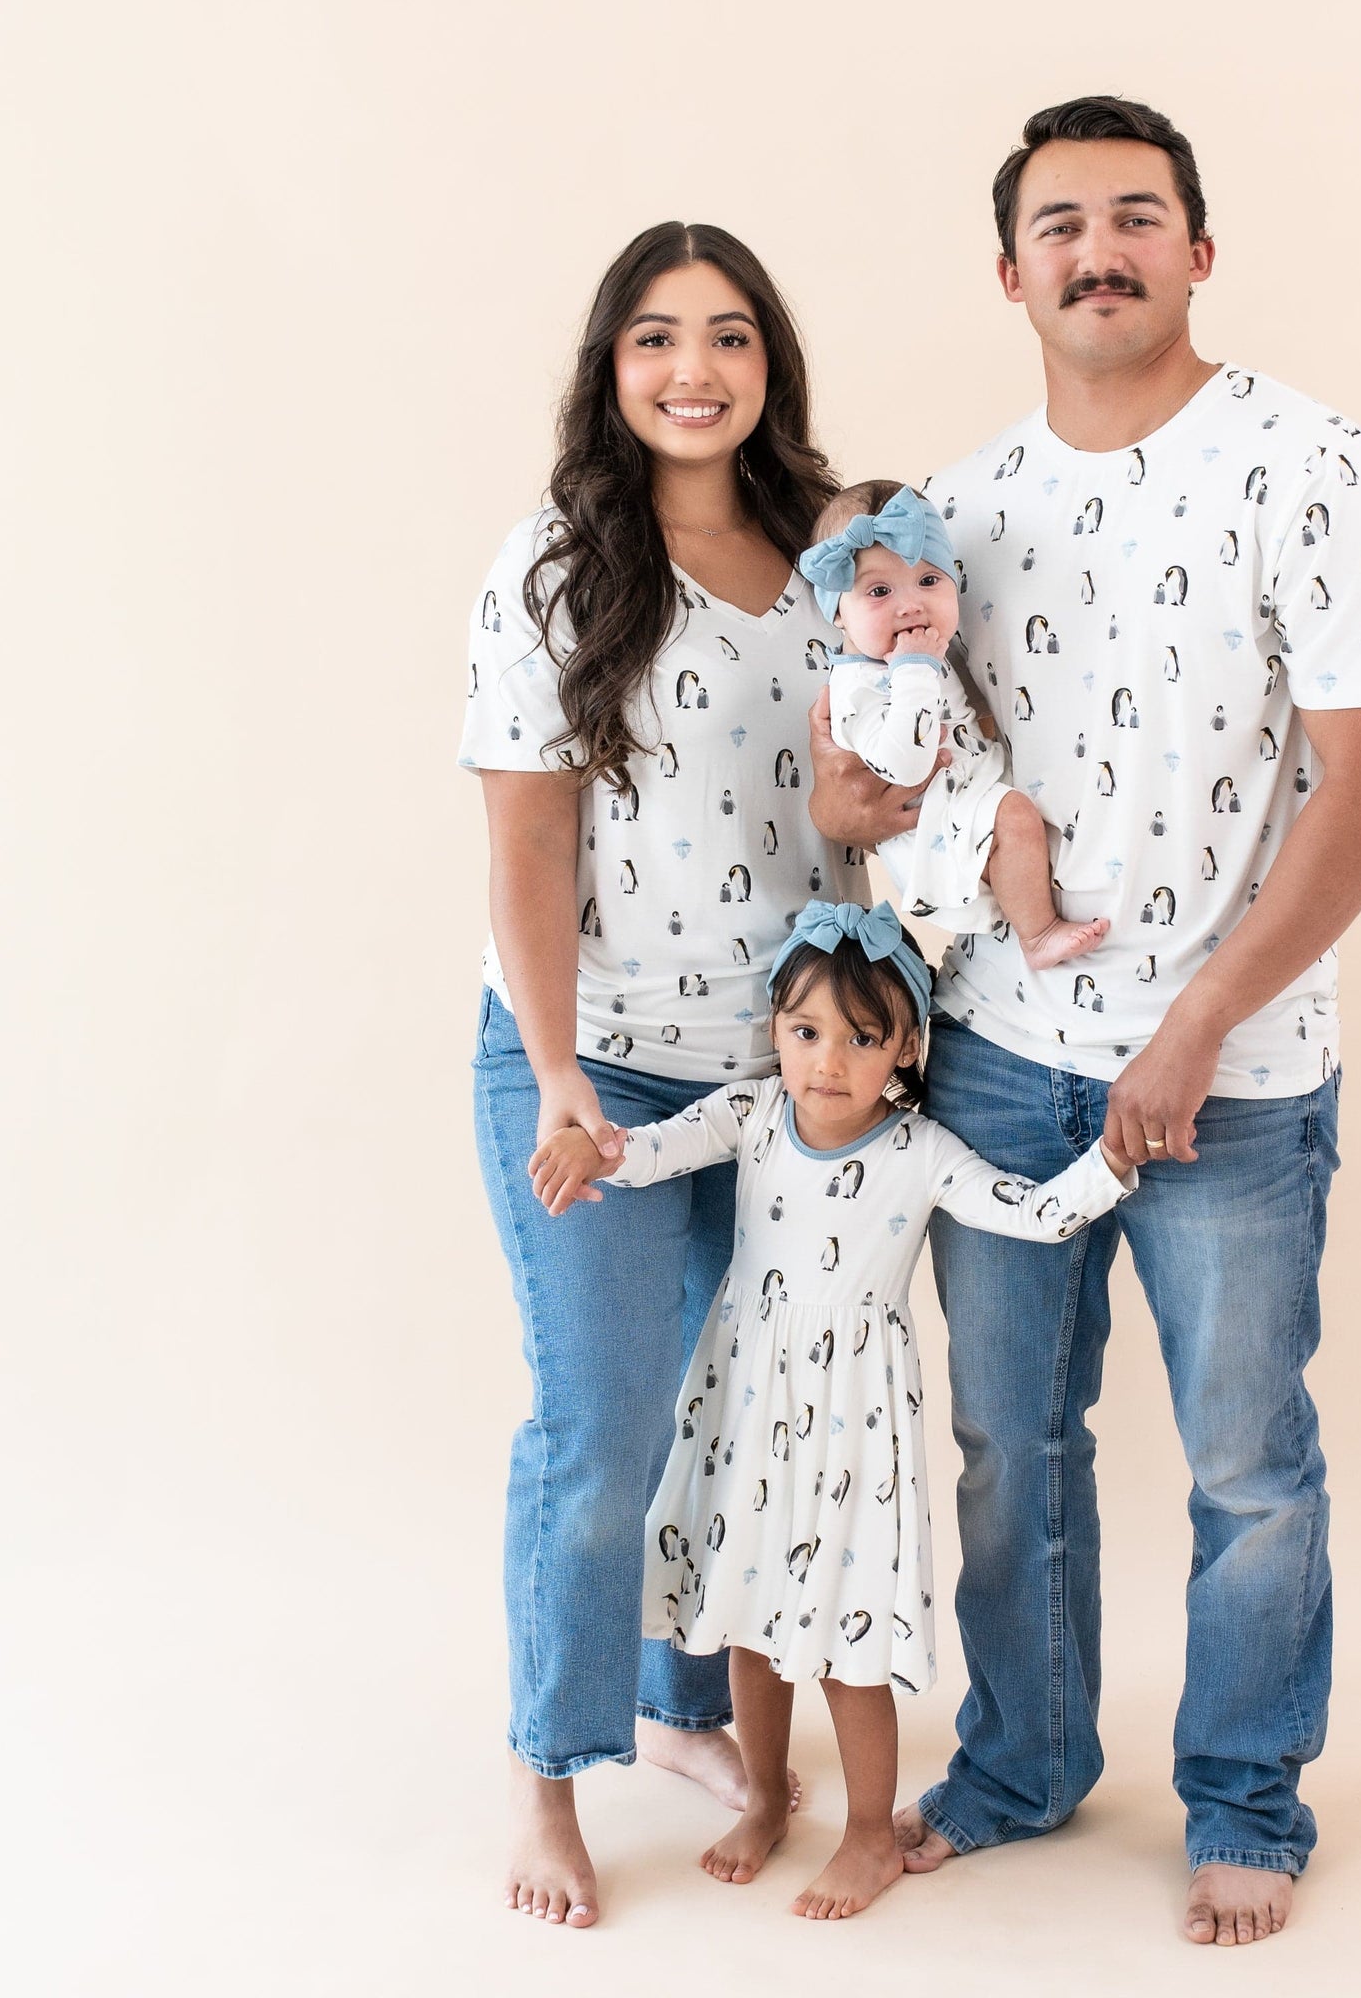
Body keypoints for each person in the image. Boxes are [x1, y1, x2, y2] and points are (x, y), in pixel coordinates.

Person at [807, 96, 1361, 1947]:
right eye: (1063, 224)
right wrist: (863, 811)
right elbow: (895, 790)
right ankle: (1020, 1762)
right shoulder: (958, 515)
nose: (1102, 249)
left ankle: (1245, 1791)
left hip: (1233, 1077)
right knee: (1013, 1442)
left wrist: (1194, 1029)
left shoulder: (1316, 465)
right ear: (1010, 275)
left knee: (1248, 1458)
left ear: (1199, 251)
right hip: (1000, 1066)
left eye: (1139, 216)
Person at [462, 219, 867, 1929]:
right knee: (601, 1430)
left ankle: (686, 1708)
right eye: (653, 339)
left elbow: (853, 818)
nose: (691, 370)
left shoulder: (838, 557)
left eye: (726, 337)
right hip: (603, 1074)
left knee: (734, 1426)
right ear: (609, 370)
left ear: (769, 364)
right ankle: (550, 1780)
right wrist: (559, 1080)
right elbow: (526, 847)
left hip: (786, 1088)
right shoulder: (558, 568)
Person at [529, 900, 1135, 1920]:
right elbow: (656, 1146)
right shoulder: (751, 1114)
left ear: (905, 1044)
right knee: (752, 1621)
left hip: (853, 1428)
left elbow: (1026, 1211)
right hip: (751, 1405)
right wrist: (596, 1150)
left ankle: (866, 1832)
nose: (826, 1061)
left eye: (860, 1038)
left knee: (845, 1642)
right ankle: (765, 1797)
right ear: (775, 1029)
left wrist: (1112, 1161)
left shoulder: (923, 1150)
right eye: (805, 1031)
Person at [797, 482, 1107, 968]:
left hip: (964, 792)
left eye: (929, 581)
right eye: (879, 591)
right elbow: (903, 763)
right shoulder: (856, 687)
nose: (911, 604)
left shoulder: (919, 657)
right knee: (1017, 817)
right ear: (837, 611)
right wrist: (915, 671)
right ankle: (1039, 935)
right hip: (933, 822)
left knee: (1020, 821)